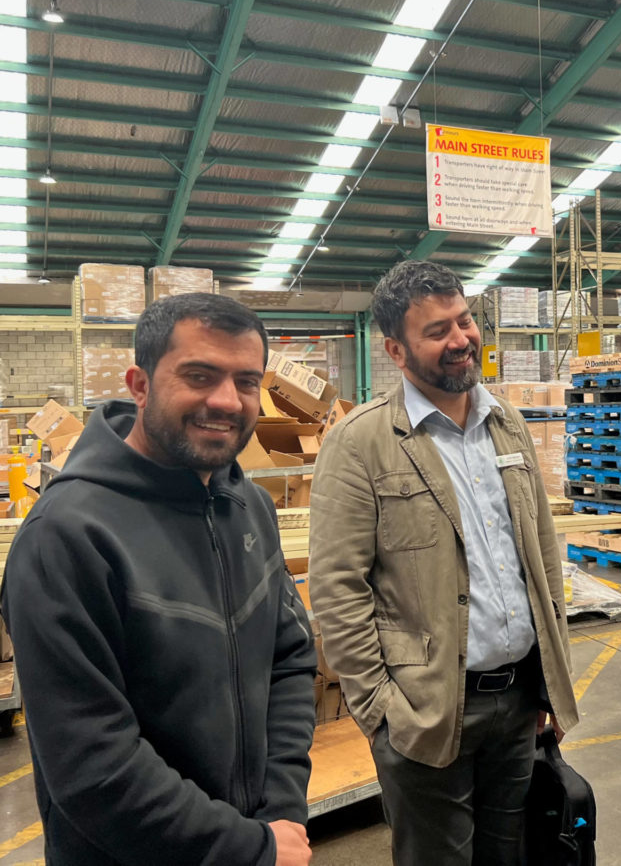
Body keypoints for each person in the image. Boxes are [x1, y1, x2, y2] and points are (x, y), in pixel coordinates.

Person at [1, 293, 317, 866]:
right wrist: (248, 847)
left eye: (246, 381)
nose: (226, 400)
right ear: (139, 384)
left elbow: (290, 657)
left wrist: (281, 809)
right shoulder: (66, 536)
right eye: (199, 376)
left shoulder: (249, 505)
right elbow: (93, 766)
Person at [309, 260, 579, 866]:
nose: (461, 339)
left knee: (507, 856)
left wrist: (550, 682)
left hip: (516, 704)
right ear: (396, 351)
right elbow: (336, 590)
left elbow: (540, 555)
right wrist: (382, 711)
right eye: (438, 331)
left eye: (464, 321)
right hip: (424, 710)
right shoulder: (360, 444)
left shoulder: (504, 422)